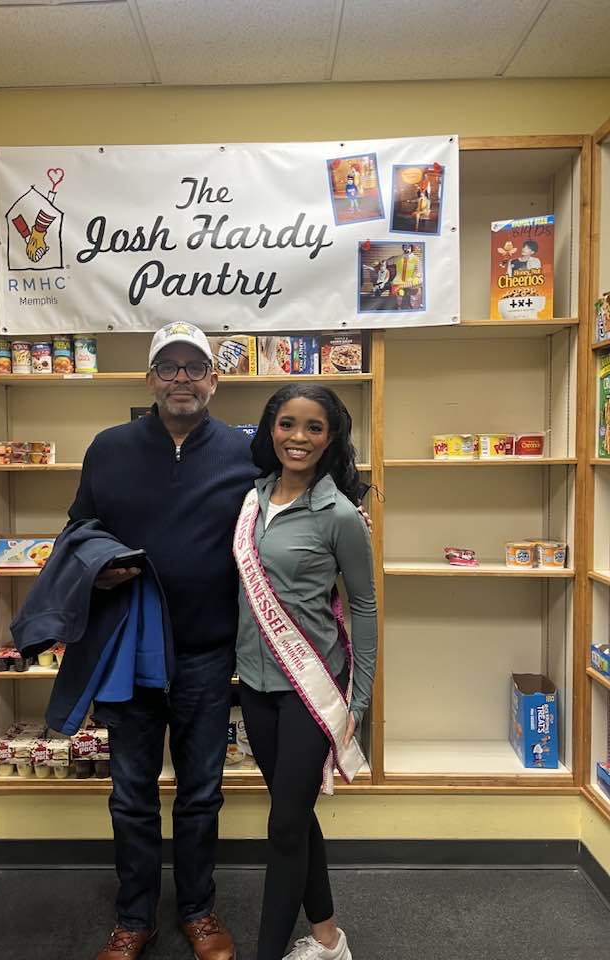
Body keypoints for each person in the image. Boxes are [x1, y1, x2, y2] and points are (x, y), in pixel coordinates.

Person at [69, 321, 256, 960]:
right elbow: (78, 529)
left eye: (194, 367)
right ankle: (135, 916)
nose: (182, 378)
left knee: (202, 792)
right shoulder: (109, 448)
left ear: (214, 379)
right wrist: (97, 569)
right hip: (129, 650)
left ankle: (198, 909)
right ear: (150, 379)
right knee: (131, 794)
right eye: (169, 367)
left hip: (207, 651)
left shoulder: (243, 451)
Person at [233, 384, 377, 960]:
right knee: (294, 815)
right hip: (256, 685)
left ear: (331, 437)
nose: (299, 437)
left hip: (311, 689)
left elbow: (364, 605)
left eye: (314, 427)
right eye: (287, 424)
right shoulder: (253, 500)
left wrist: (359, 700)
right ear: (271, 429)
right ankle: (328, 938)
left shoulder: (340, 514)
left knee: (284, 827)